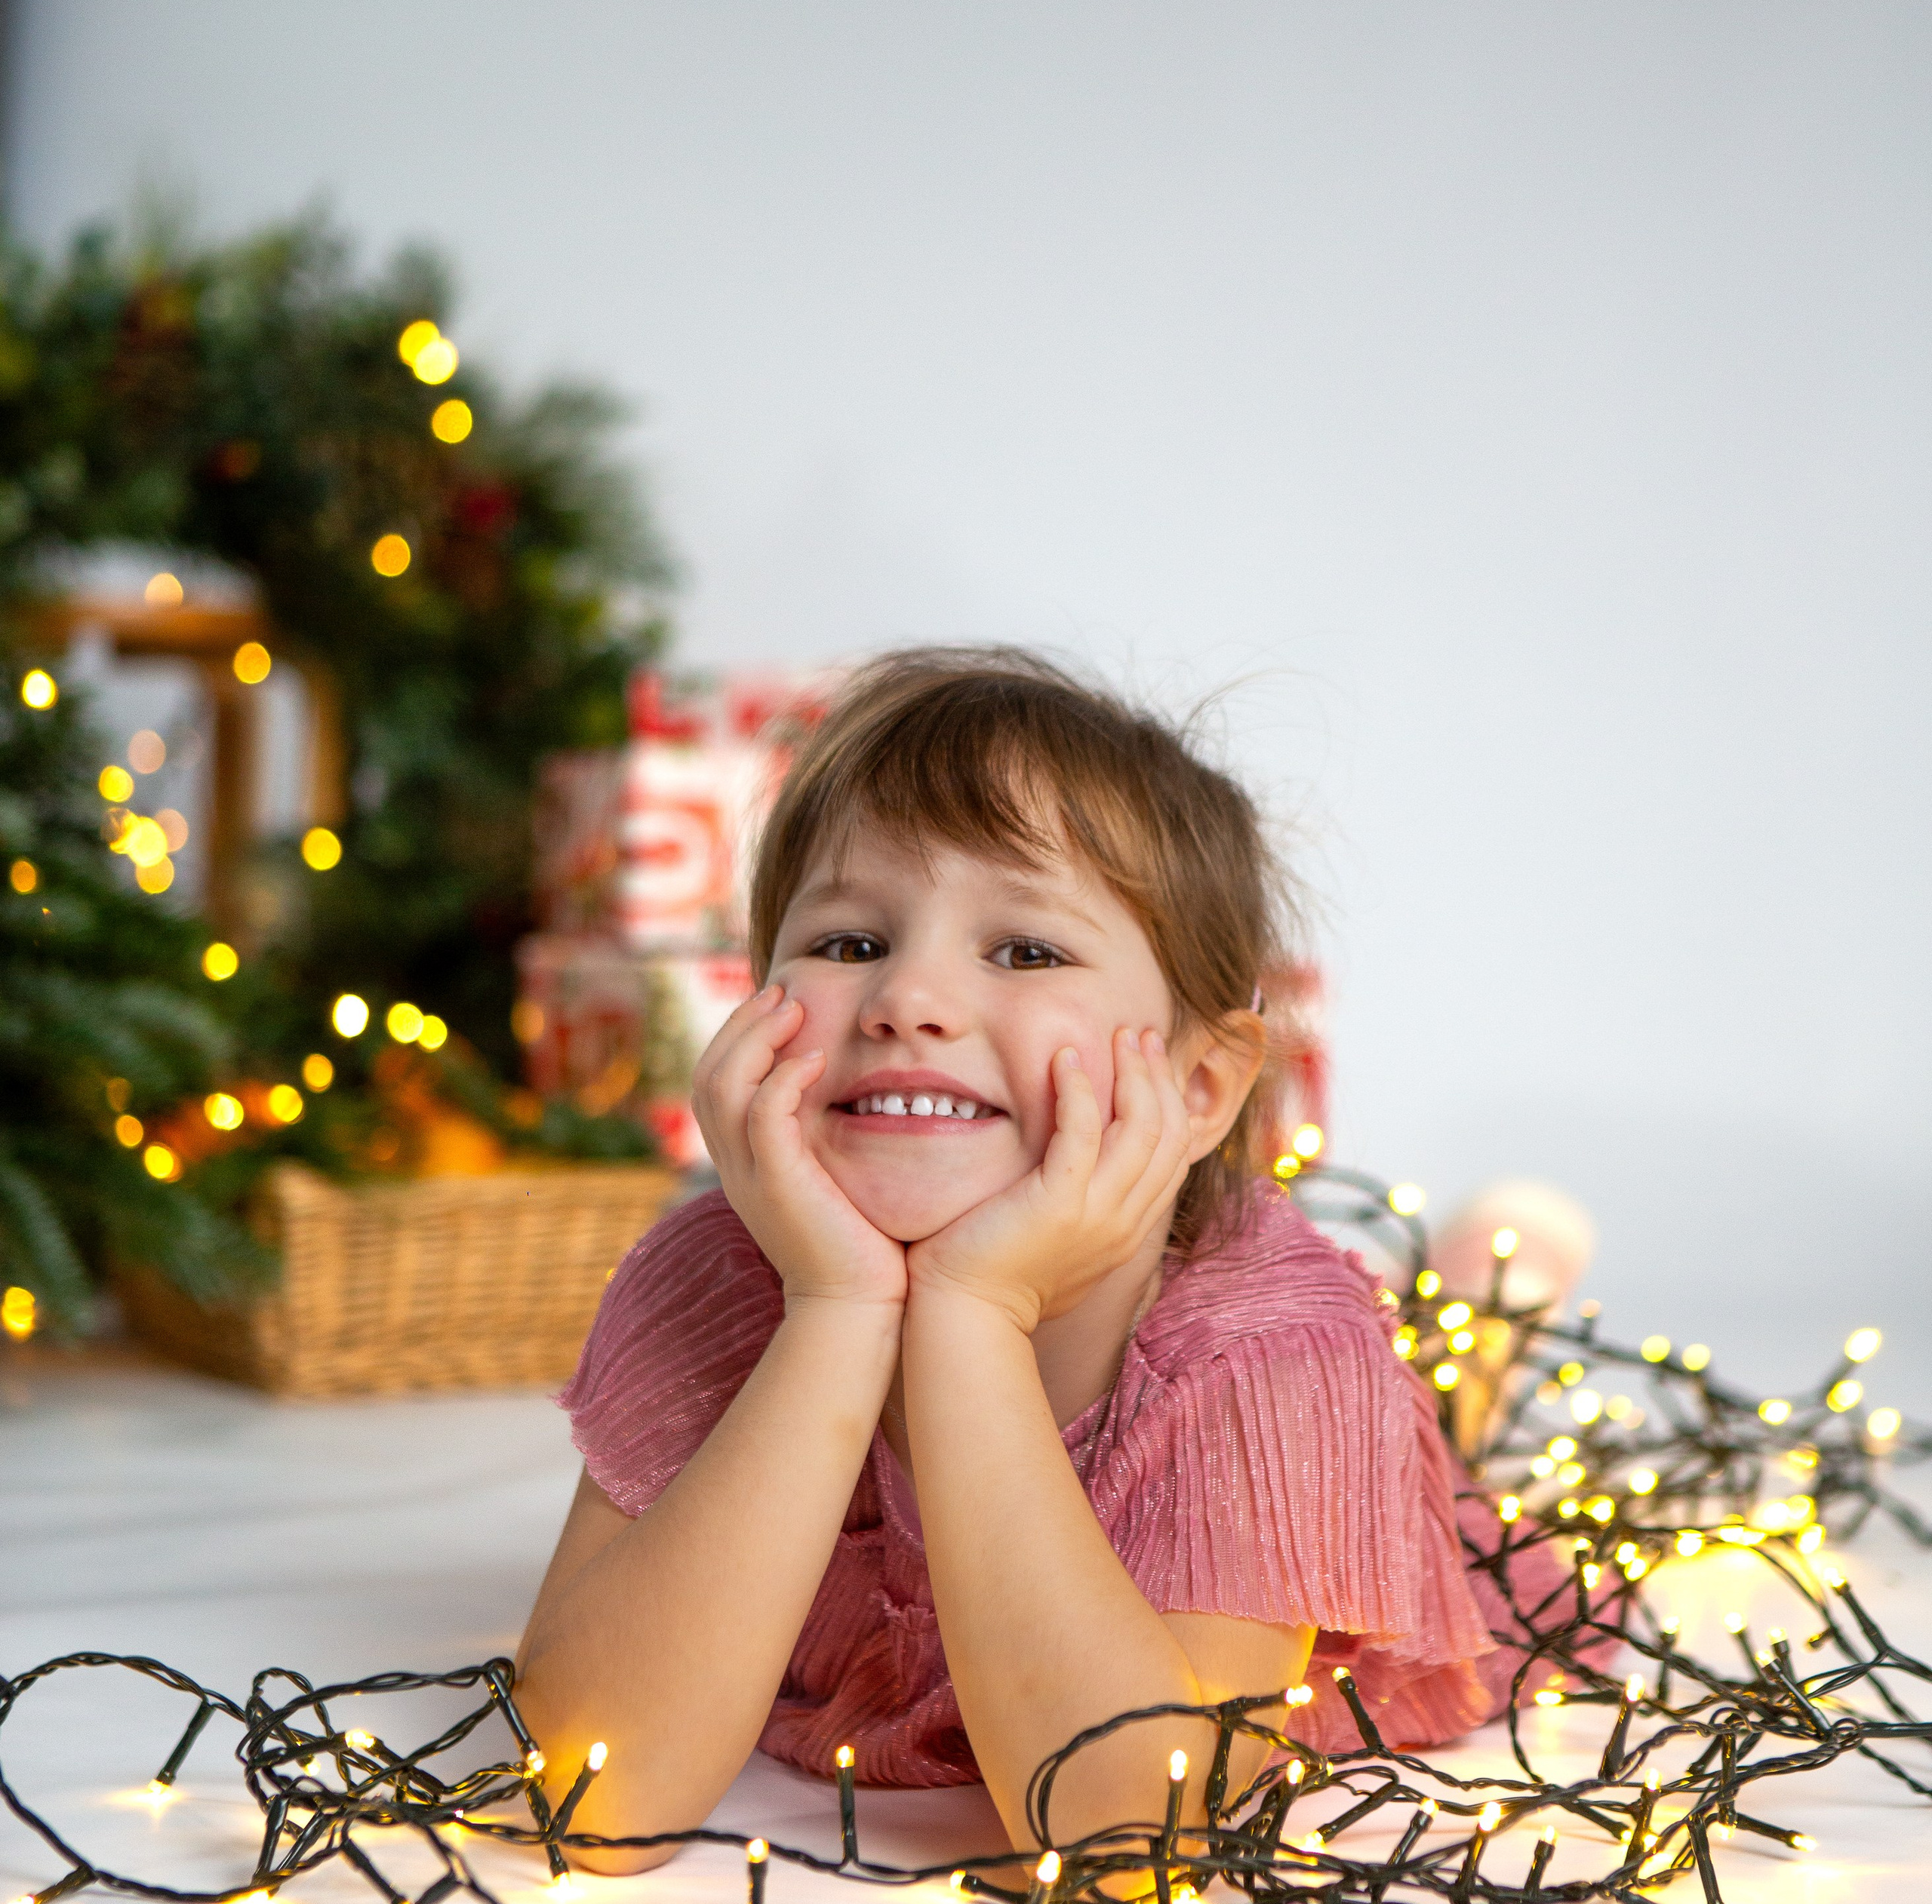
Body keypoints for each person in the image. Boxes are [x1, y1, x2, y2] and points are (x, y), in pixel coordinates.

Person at [514, 648, 1543, 1870]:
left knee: (1455, 1423)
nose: (908, 998)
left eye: (1025, 952)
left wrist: (971, 1311)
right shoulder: (717, 1273)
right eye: (849, 942)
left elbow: (1124, 1833)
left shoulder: (1277, 1352)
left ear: (1198, 1084)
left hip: (1349, 1452)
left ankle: (1494, 1301)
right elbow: (593, 1790)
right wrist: (837, 1307)